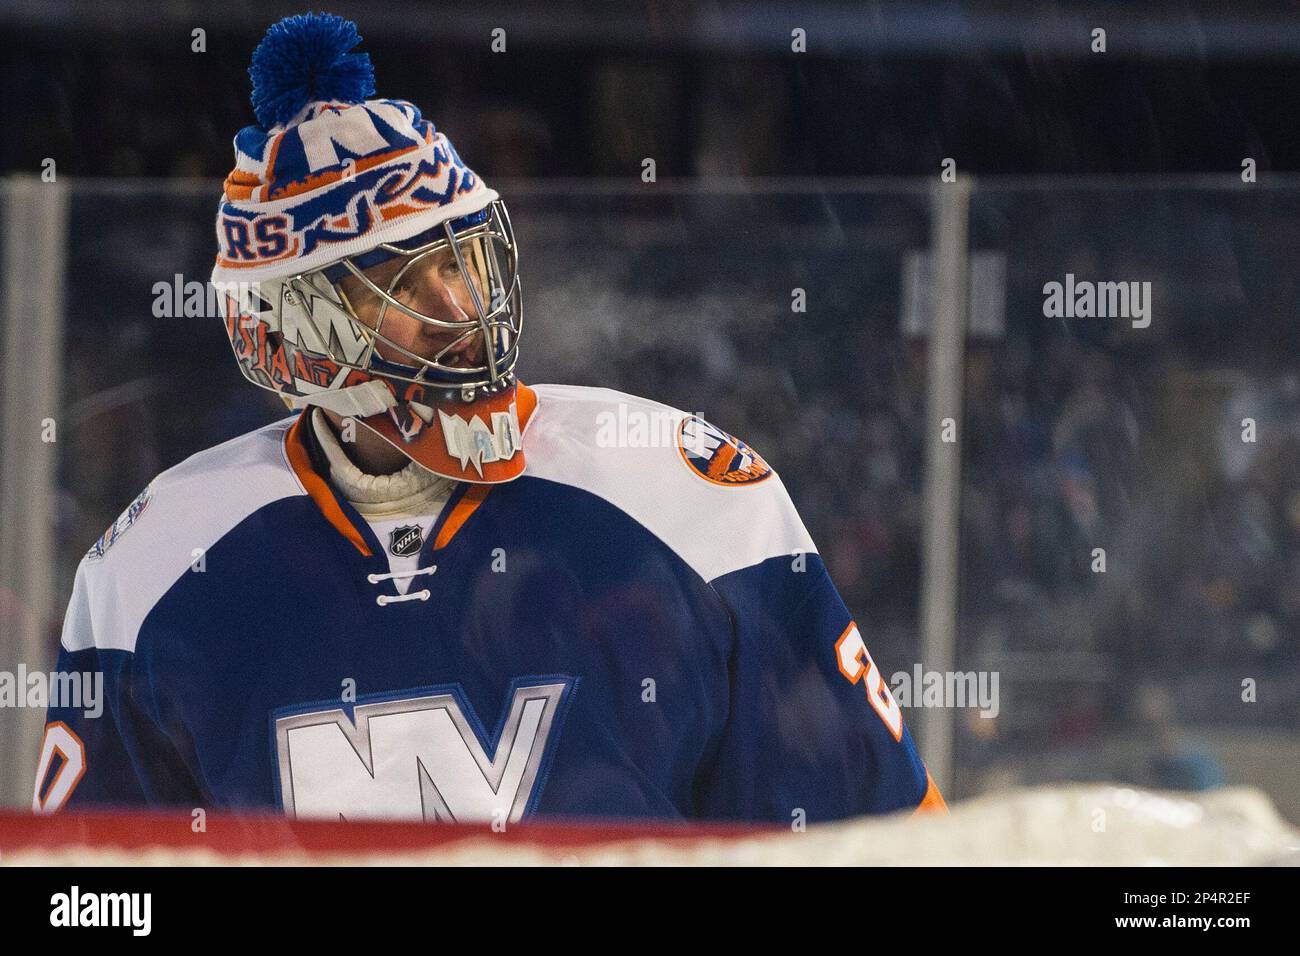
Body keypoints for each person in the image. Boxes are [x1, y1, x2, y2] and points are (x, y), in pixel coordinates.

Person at [34, 13, 943, 824]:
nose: (461, 304)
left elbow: (882, 842)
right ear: (298, 336)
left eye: (463, 257)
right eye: (403, 279)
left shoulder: (692, 500)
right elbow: (95, 898)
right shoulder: (152, 573)